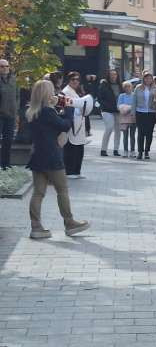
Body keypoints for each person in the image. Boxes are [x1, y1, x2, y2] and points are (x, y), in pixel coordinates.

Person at [24, 79, 89, 239]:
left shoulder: (31, 111)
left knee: (38, 193)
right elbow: (65, 125)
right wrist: (67, 108)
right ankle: (70, 223)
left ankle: (36, 227)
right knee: (62, 190)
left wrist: (57, 107)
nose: (54, 93)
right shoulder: (47, 111)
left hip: (37, 155)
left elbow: (52, 124)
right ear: (46, 93)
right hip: (52, 156)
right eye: (51, 91)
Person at [60, 72, 93, 178]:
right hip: (72, 125)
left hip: (80, 124)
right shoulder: (65, 92)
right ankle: (69, 171)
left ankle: (77, 171)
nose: (75, 81)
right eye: (72, 79)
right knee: (71, 148)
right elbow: (64, 106)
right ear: (68, 80)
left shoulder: (77, 91)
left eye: (77, 80)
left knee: (79, 148)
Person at [132, 71, 156, 160]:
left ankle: (147, 151)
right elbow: (134, 101)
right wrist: (133, 113)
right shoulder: (138, 88)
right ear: (143, 79)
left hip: (151, 112)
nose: (148, 80)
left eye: (150, 78)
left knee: (149, 133)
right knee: (140, 133)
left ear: (152, 79)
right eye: (146, 78)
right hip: (140, 112)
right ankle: (140, 151)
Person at [96, 70, 120, 158]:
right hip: (107, 110)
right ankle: (103, 149)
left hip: (118, 110)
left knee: (118, 130)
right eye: (112, 75)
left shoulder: (120, 85)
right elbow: (99, 98)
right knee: (109, 127)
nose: (113, 76)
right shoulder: (104, 85)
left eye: (115, 74)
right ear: (108, 76)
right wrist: (106, 106)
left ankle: (116, 149)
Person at [0, 58, 16, 170]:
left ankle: (6, 163)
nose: (5, 68)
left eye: (7, 66)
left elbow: (17, 96)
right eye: (2, 66)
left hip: (11, 115)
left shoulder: (13, 79)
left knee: (8, 140)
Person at [117, 81, 136, 156]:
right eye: (126, 87)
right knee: (125, 135)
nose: (127, 88)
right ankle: (125, 151)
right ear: (124, 88)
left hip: (132, 117)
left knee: (132, 135)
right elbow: (118, 105)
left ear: (132, 87)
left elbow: (135, 105)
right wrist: (125, 108)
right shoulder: (121, 96)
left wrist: (129, 108)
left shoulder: (134, 95)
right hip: (124, 117)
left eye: (129, 86)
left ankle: (132, 151)